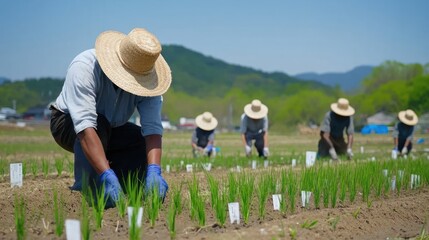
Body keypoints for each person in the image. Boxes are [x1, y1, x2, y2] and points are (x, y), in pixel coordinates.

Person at [49, 28, 171, 208]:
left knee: (137, 139)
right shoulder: (85, 67)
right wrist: (105, 173)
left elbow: (152, 130)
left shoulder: (150, 83)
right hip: (68, 124)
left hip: (110, 128)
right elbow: (85, 127)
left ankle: (125, 186)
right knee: (99, 125)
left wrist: (154, 170)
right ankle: (88, 187)